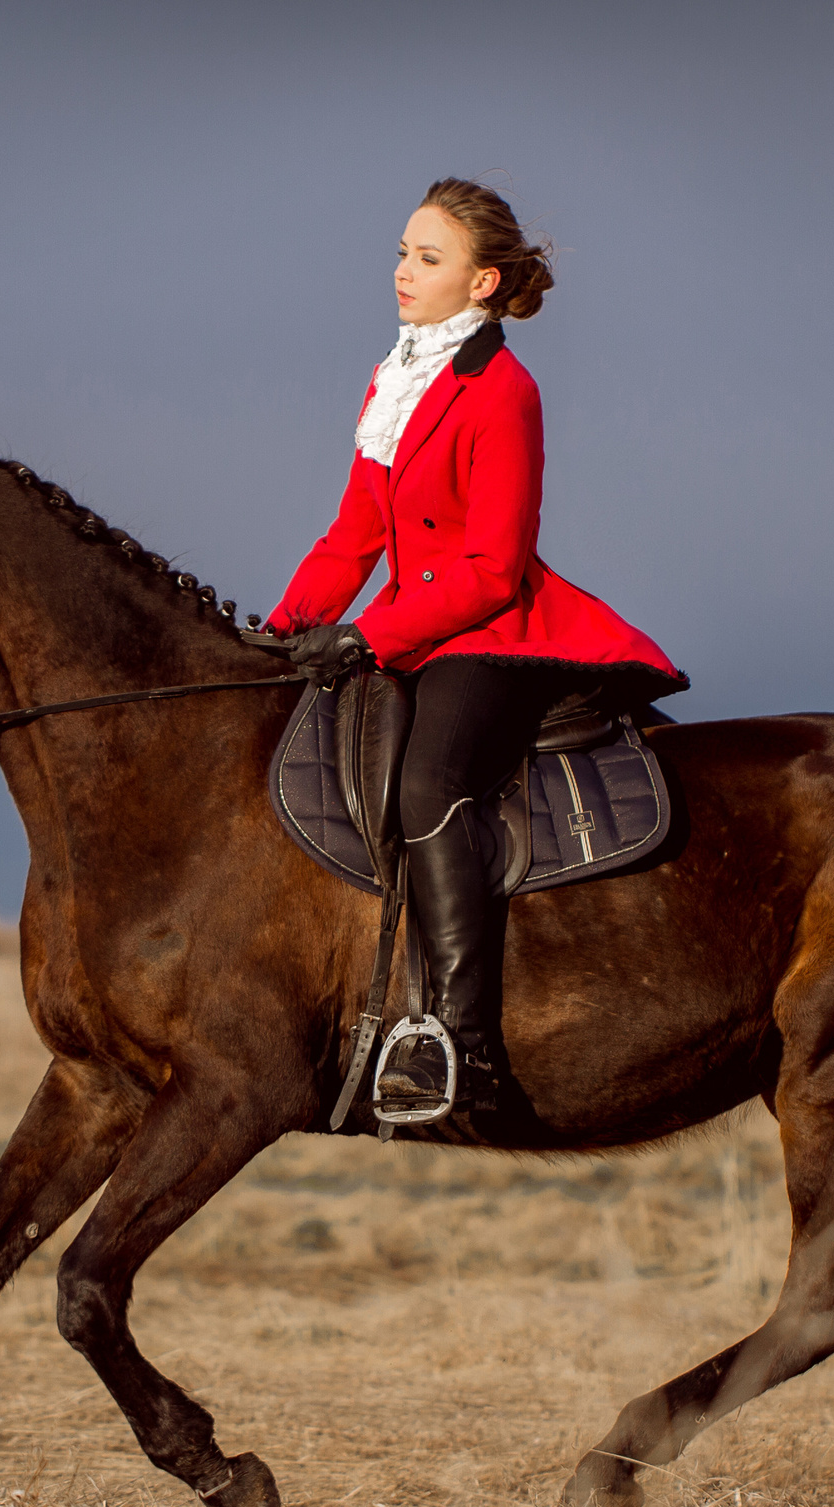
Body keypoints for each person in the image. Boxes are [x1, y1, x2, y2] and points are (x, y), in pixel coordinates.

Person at [268, 178, 685, 1123]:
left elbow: (493, 570)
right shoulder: (395, 377)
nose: (402, 272)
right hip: (413, 631)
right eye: (403, 252)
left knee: (426, 785)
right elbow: (353, 536)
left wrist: (369, 632)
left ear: (483, 281)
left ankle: (466, 1043)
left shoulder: (506, 391)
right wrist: (284, 630)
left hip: (491, 634)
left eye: (427, 258)